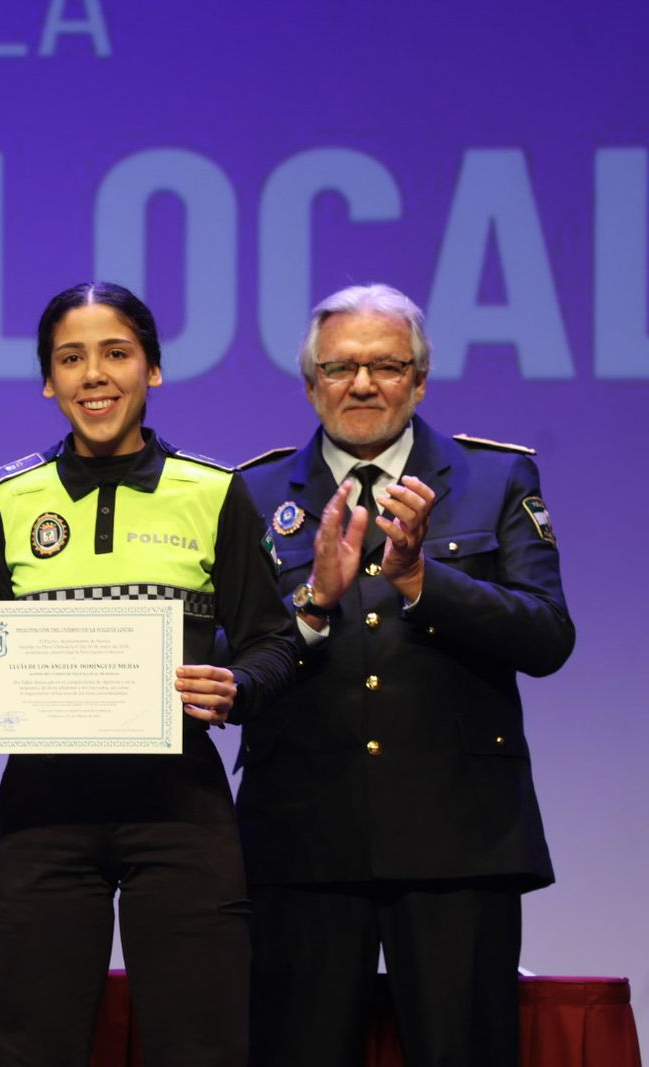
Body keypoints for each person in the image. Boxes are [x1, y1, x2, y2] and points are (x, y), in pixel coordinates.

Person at [0, 282, 297, 1067]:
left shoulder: (213, 490)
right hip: (44, 810)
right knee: (31, 1044)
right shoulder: (7, 497)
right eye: (71, 358)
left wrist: (239, 686)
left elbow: (273, 640)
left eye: (115, 353)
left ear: (153, 370)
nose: (94, 374)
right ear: (48, 382)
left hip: (181, 807)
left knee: (200, 1043)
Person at [234, 283, 574, 1067]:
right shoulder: (249, 495)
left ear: (420, 380)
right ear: (310, 382)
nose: (361, 384)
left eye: (385, 366)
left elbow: (548, 635)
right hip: (300, 835)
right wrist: (313, 606)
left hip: (460, 838)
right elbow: (227, 653)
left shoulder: (496, 480)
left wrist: (423, 580)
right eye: (340, 366)